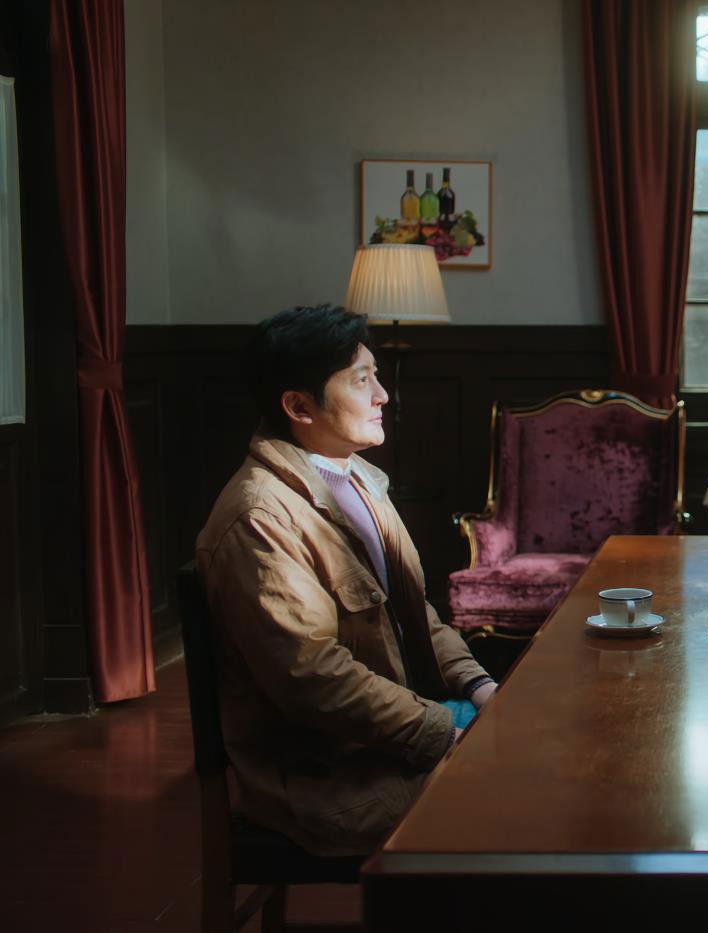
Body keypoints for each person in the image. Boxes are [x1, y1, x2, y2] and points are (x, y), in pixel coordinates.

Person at [196, 304, 497, 855]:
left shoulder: (355, 477)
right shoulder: (260, 517)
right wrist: (446, 735)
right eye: (362, 380)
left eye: (376, 375)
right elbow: (315, 678)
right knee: (533, 789)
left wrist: (481, 687)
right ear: (298, 406)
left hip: (394, 732)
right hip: (333, 776)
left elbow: (415, 613)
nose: (383, 395)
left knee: (552, 740)